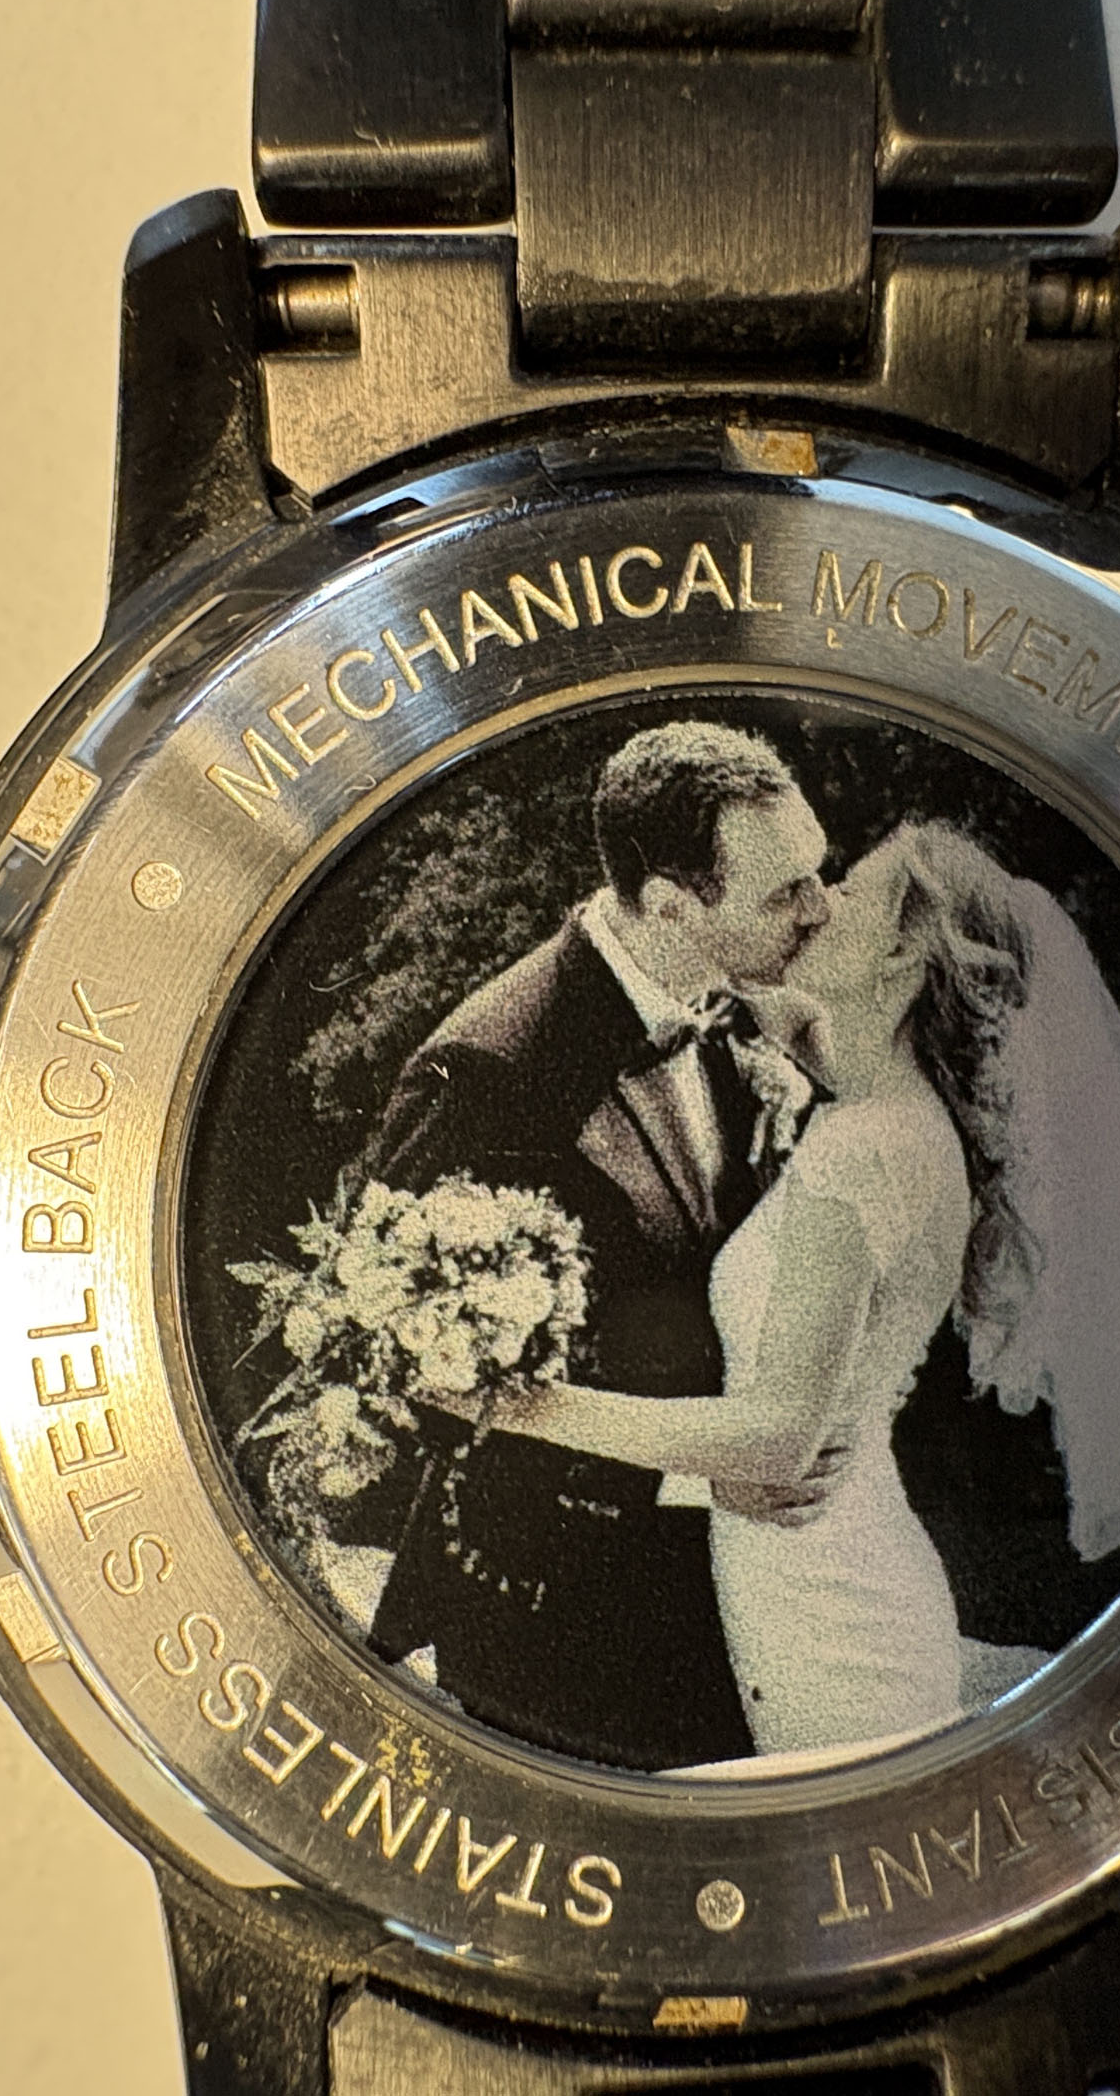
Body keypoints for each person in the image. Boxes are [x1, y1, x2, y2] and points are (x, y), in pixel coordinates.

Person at [463, 821, 1120, 1763]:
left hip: (832, 1608)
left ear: (900, 961)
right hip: (820, 1564)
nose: (815, 902)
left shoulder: (862, 1150)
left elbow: (777, 1439)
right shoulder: (895, 1122)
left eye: (847, 893)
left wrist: (510, 1403)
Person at [354, 719, 837, 1771]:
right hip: (555, 1607)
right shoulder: (490, 1070)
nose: (822, 908)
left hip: (730, 1581)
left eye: (818, 869)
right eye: (784, 891)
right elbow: (413, 1367)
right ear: (669, 905)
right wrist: (707, 1472)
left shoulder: (741, 1010)